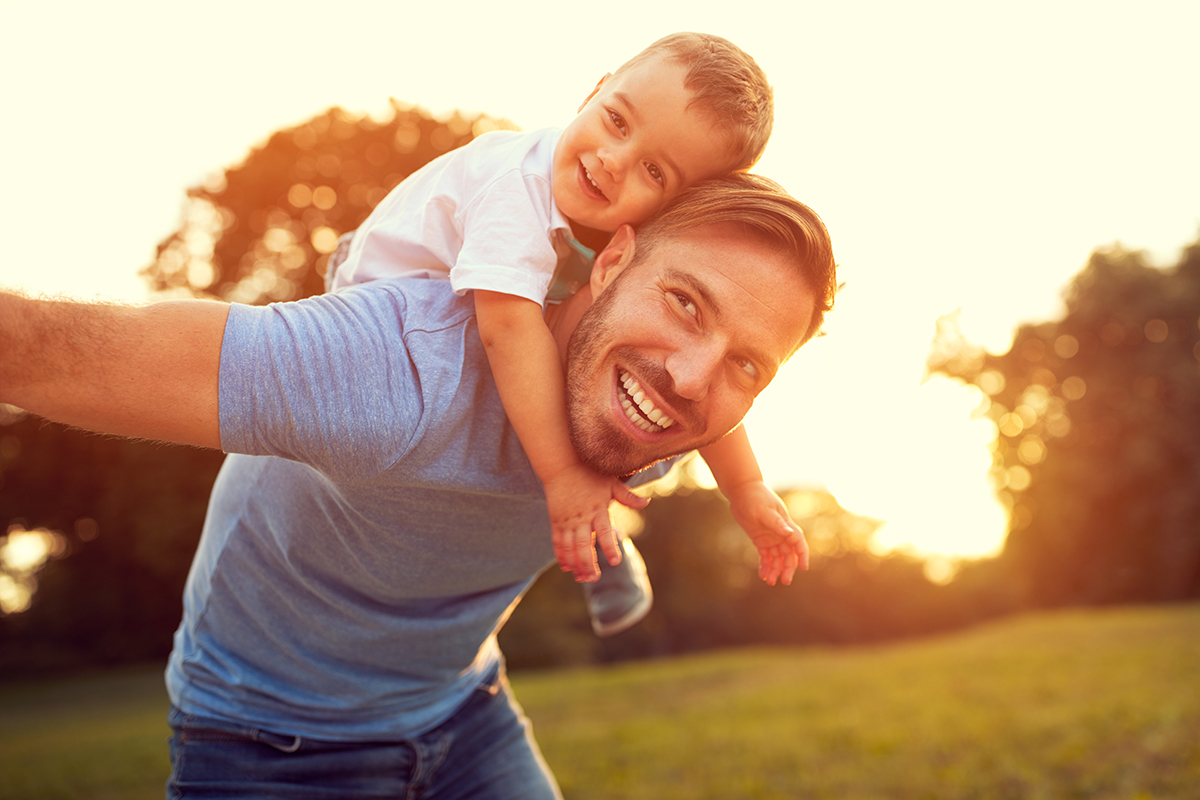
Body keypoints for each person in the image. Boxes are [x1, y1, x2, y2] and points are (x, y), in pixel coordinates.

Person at [0, 172, 837, 799]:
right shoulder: (395, 368)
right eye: (687, 303)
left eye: (747, 365)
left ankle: (607, 560)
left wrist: (749, 494)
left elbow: (706, 390)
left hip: (462, 710)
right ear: (610, 259)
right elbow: (39, 348)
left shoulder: (657, 407)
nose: (693, 379)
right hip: (267, 742)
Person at [327, 32, 802, 637]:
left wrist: (747, 487)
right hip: (384, 317)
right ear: (596, 90)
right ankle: (591, 539)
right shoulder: (513, 187)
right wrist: (563, 476)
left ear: (674, 211)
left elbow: (702, 361)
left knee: (626, 388)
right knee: (553, 416)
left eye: (655, 170)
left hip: (478, 316)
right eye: (616, 120)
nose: (613, 160)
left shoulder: (616, 224)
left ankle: (598, 545)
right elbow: (505, 328)